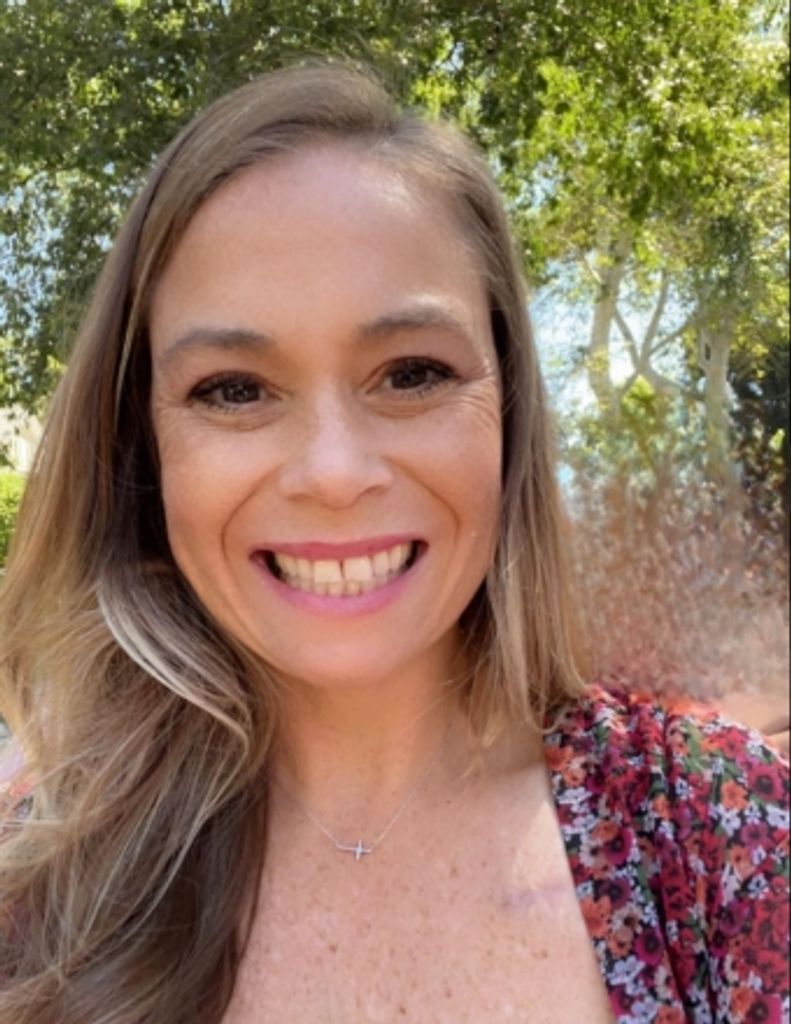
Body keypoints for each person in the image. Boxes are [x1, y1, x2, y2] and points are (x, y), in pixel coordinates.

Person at [0, 62, 787, 1024]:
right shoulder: (38, 883)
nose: (334, 473)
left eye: (411, 373)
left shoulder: (722, 835)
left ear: (509, 410)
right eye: (234, 390)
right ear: (143, 447)